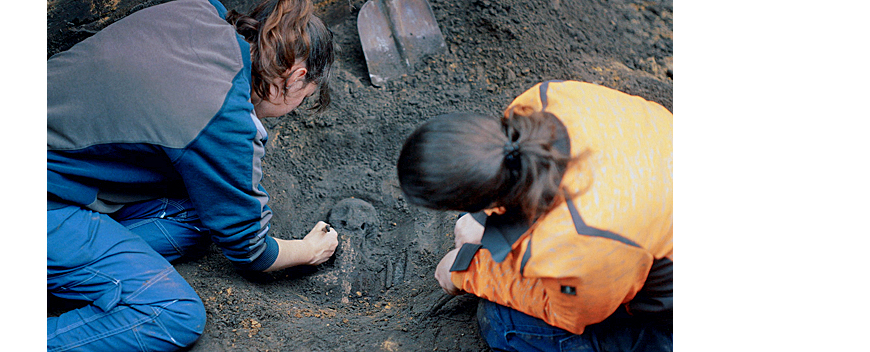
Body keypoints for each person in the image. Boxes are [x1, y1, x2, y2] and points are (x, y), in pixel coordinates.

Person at [46, 0, 338, 350]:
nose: (296, 107)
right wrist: (307, 250)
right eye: (302, 98)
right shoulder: (224, 120)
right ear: (295, 77)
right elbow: (251, 249)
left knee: (199, 215)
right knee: (173, 314)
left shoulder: (197, 10)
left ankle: (80, 268)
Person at [397, 80, 672, 351]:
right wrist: (483, 217)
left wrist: (467, 270)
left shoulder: (579, 238)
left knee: (504, 324)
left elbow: (571, 314)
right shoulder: (541, 100)